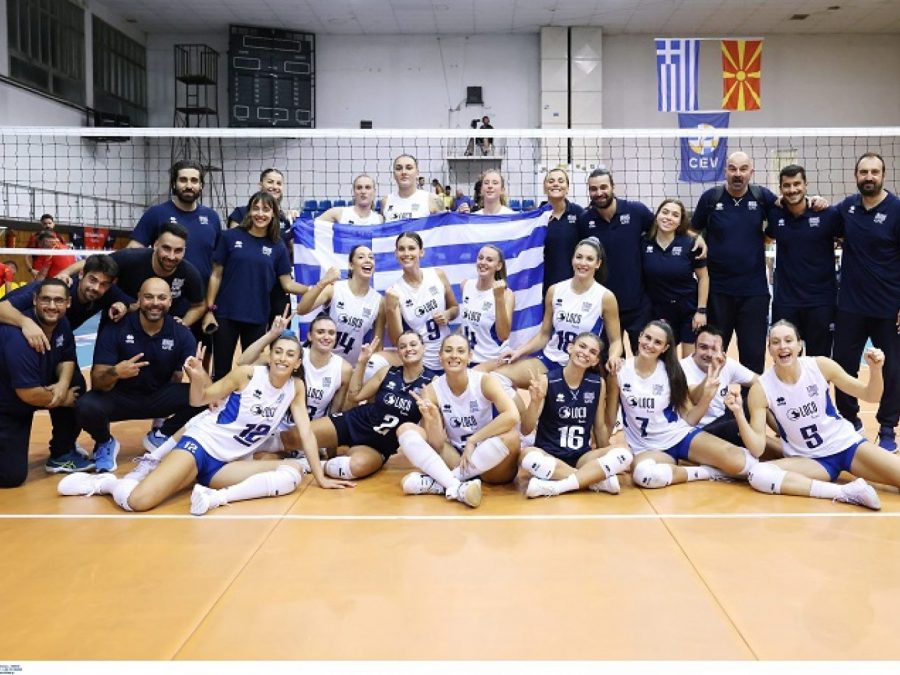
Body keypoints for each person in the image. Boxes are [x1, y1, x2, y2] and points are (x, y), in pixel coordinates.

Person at [58, 333, 354, 514]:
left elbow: (306, 434)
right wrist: (198, 375)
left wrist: (321, 478)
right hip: (201, 445)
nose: (283, 358)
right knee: (140, 502)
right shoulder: (247, 375)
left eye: (290, 355)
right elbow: (200, 399)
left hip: (229, 463)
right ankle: (107, 484)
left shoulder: (295, 388)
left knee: (292, 472)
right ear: (269, 355)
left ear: (297, 363)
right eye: (278, 352)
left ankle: (215, 497)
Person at [727, 320, 898, 510]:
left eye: (788, 340)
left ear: (799, 345)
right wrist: (739, 413)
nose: (782, 346)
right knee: (759, 474)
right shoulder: (761, 389)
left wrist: (875, 369)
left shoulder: (820, 366)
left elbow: (871, 396)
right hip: (810, 461)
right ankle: (845, 492)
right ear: (770, 350)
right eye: (775, 342)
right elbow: (758, 449)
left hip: (847, 446)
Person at [610, 320, 758, 490]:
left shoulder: (672, 371)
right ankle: (707, 472)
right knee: (645, 475)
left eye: (657, 342)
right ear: (640, 336)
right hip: (646, 448)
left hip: (679, 436)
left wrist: (707, 395)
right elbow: (609, 419)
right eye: (648, 338)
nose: (650, 345)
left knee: (744, 464)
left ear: (665, 348)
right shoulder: (620, 371)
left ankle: (699, 465)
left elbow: (690, 418)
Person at [75, 277, 204, 472]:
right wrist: (116, 372)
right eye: (149, 297)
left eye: (162, 298)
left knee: (206, 398)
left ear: (170, 301)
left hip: (158, 397)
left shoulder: (180, 332)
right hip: (120, 398)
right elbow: (97, 381)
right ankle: (105, 442)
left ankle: (162, 434)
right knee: (85, 405)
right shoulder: (116, 328)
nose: (155, 303)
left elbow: (201, 386)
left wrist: (199, 372)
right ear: (139, 299)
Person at [273, 330, 437, 480]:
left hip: (380, 444)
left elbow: (431, 431)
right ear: (398, 352)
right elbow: (355, 396)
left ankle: (306, 464)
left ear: (423, 348)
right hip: (356, 421)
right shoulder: (388, 372)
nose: (408, 349)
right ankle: (261, 449)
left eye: (413, 344)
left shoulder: (432, 383)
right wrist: (362, 362)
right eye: (403, 346)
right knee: (292, 437)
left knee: (356, 467)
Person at [579, 168, 705, 354]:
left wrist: (695, 236)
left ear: (613, 187)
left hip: (638, 306)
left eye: (603, 187)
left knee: (645, 358)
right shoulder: (584, 220)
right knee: (610, 362)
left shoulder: (636, 211)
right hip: (603, 305)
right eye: (593, 189)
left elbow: (664, 224)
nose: (599, 193)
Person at [397, 334, 520, 508]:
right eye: (448, 350)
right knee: (405, 429)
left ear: (469, 357)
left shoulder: (484, 380)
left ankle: (444, 483)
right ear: (440, 357)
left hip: (491, 462)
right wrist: (432, 419)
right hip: (457, 458)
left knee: (512, 437)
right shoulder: (431, 391)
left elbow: (512, 416)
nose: (454, 355)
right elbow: (436, 444)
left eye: (460, 351)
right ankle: (457, 486)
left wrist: (473, 440)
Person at [832, 152, 900, 451]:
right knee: (843, 366)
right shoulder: (847, 208)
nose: (869, 177)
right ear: (856, 175)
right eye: (864, 172)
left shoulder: (897, 209)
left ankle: (887, 428)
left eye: (874, 172)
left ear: (883, 175)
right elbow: (822, 221)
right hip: (850, 306)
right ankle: (850, 421)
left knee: (892, 369)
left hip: (888, 307)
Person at [203, 191, 309, 381]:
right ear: (249, 211)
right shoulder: (229, 237)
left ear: (273, 214)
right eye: (256, 208)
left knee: (250, 371)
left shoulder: (277, 246)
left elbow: (287, 284)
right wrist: (209, 309)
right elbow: (216, 275)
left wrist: (313, 288)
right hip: (226, 315)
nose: (260, 214)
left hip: (257, 316)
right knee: (221, 371)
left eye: (266, 210)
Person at [496, 237, 622, 389]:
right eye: (579, 257)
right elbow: (544, 335)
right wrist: (519, 352)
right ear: (572, 259)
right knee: (497, 379)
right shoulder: (555, 290)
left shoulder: (605, 297)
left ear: (598, 264)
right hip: (550, 360)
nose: (583, 263)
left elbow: (616, 341)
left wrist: (614, 356)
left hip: (581, 366)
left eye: (589, 259)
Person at [518, 332, 633, 498]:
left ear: (595, 361)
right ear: (570, 348)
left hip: (581, 457)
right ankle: (592, 481)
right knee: (527, 456)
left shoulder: (597, 383)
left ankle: (557, 486)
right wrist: (535, 402)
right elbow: (526, 429)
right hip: (549, 455)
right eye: (582, 346)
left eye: (592, 352)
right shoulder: (547, 380)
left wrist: (606, 456)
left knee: (623, 453)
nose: (585, 353)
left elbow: (599, 426)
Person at [691, 151, 776, 373]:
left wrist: (813, 200)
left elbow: (788, 207)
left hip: (754, 292)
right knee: (713, 354)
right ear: (725, 171)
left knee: (753, 356)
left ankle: (751, 396)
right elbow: (691, 229)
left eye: (743, 169)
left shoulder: (762, 197)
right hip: (718, 292)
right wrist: (698, 237)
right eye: (732, 169)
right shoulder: (711, 198)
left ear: (751, 172)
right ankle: (713, 395)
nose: (738, 174)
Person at [0, 279, 85, 484]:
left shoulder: (61, 323)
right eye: (46, 299)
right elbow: (28, 393)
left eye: (58, 300)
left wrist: (62, 384)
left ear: (68, 303)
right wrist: (63, 399)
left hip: (25, 398)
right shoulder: (17, 337)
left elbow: (67, 358)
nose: (52, 306)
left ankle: (62, 453)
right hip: (7, 405)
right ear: (35, 300)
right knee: (11, 477)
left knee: (76, 384)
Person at [57, 222, 206, 326]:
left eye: (178, 250)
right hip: (118, 319)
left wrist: (183, 323)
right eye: (166, 248)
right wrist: (65, 273)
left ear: (184, 251)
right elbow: (95, 263)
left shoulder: (189, 273)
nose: (172, 256)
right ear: (155, 245)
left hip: (157, 325)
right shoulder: (130, 257)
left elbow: (199, 305)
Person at [766, 164, 842, 357]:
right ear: (781, 188)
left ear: (806, 185)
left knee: (819, 360)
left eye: (797, 184)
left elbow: (848, 240)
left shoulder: (827, 214)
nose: (792, 189)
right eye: (787, 185)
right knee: (786, 359)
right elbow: (765, 238)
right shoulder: (775, 214)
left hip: (821, 302)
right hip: (786, 302)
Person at [1, 254, 128, 353]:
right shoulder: (57, 288)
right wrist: (26, 323)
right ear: (81, 274)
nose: (96, 287)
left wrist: (123, 305)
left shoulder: (106, 292)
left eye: (103, 284)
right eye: (92, 280)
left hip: (47, 342)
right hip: (12, 335)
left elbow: (134, 304)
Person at [128, 160, 222, 290]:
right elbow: (132, 252)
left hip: (201, 296)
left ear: (201, 185)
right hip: (163, 295)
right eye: (183, 180)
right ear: (173, 184)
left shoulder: (212, 217)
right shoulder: (156, 213)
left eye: (194, 181)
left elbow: (218, 263)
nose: (189, 186)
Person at [295, 245, 385, 373]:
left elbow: (377, 345)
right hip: (319, 362)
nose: (367, 260)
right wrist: (323, 282)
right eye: (361, 257)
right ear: (351, 265)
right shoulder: (335, 289)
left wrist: (365, 371)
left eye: (371, 257)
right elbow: (301, 309)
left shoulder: (378, 301)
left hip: (348, 370)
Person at [226, 168, 299, 325]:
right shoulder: (241, 213)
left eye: (279, 183)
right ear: (260, 185)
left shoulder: (285, 219)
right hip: (249, 284)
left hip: (278, 285)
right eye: (270, 182)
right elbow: (232, 248)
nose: (274, 186)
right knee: (250, 332)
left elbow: (293, 251)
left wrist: (296, 223)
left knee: (280, 331)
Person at [383, 231, 458, 373]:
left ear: (421, 252)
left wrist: (447, 314)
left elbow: (455, 308)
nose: (406, 253)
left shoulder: (437, 274)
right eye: (401, 249)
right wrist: (390, 309)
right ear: (396, 254)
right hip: (422, 363)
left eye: (411, 248)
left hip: (448, 356)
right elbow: (397, 340)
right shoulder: (395, 291)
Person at [642, 198, 709, 356]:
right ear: (657, 216)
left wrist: (701, 311)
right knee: (663, 359)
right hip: (658, 309)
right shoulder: (644, 243)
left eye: (675, 215)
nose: (668, 217)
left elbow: (704, 278)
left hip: (687, 308)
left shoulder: (690, 244)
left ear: (680, 221)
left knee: (688, 362)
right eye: (665, 212)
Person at [679, 325, 758, 447]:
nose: (709, 354)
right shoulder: (682, 368)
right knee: (739, 426)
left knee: (759, 398)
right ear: (695, 347)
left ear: (722, 352)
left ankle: (786, 439)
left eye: (714, 349)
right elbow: (695, 399)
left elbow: (760, 382)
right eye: (703, 347)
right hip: (699, 429)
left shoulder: (726, 363)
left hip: (722, 419)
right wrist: (712, 373)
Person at [459, 245, 514, 369]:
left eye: (489, 260)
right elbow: (467, 324)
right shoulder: (466, 285)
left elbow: (503, 335)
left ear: (498, 266)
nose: (483, 262)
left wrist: (498, 298)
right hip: (467, 359)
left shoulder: (506, 294)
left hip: (493, 360)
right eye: (480, 258)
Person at [541, 167, 584, 295]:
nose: (556, 184)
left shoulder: (579, 213)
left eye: (561, 181)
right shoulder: (537, 217)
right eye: (551, 181)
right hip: (545, 285)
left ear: (567, 188)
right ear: (544, 188)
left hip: (575, 284)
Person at [380, 154, 442, 221]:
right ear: (394, 175)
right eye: (399, 169)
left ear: (417, 173)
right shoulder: (386, 201)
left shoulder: (432, 199)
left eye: (409, 168)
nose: (404, 172)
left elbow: (444, 225)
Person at [317, 175, 384, 225]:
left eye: (367, 187)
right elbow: (313, 227)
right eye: (359, 188)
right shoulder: (338, 213)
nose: (363, 191)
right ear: (353, 192)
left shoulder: (379, 220)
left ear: (374, 192)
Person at [24, 214, 59, 278]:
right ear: (42, 225)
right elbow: (26, 256)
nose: (47, 225)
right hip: (39, 272)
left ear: (53, 224)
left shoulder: (59, 237)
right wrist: (31, 270)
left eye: (49, 223)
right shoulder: (35, 237)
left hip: (55, 272)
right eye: (45, 224)